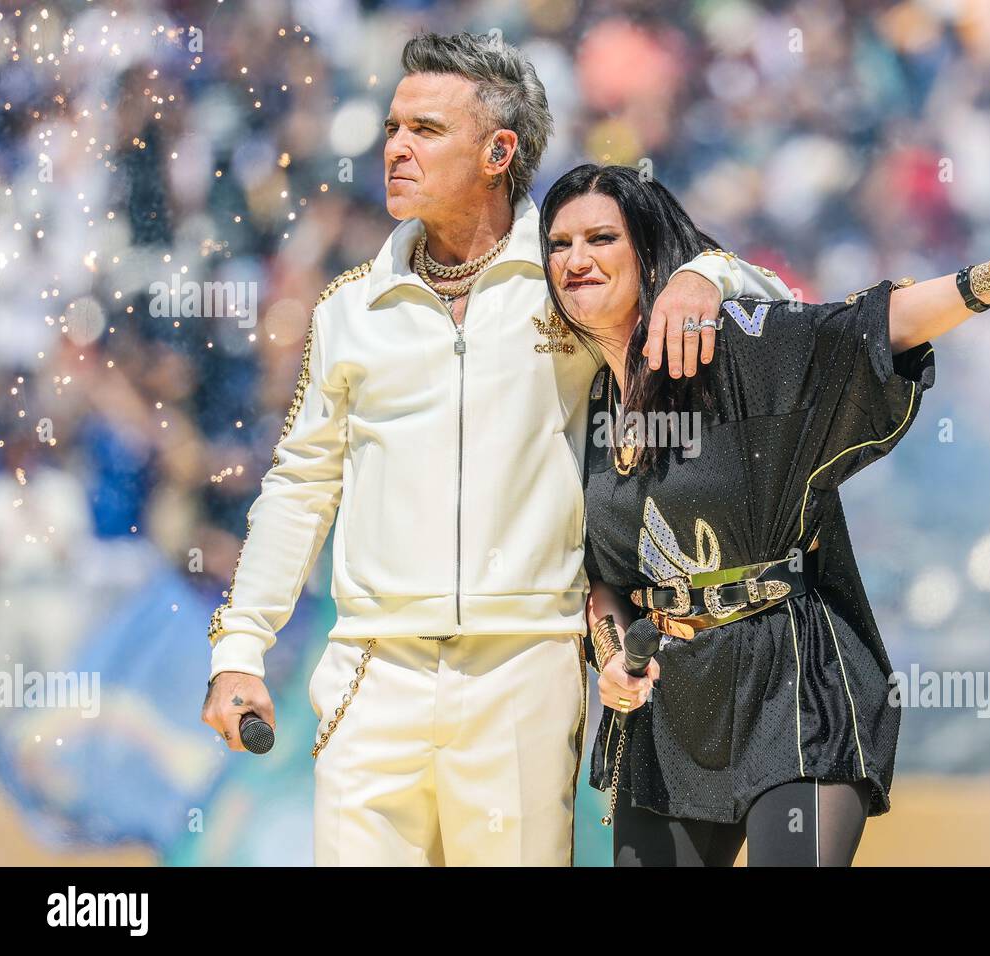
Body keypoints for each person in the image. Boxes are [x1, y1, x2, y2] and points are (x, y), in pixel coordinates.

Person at [199, 33, 784, 867]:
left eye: (426, 130)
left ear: (497, 151)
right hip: (371, 675)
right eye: (395, 126)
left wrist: (703, 277)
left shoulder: (572, 275)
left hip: (527, 671)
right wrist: (239, 650)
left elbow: (777, 303)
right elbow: (299, 488)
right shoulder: (347, 308)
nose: (395, 146)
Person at [540, 164, 990, 866]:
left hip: (794, 688)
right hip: (671, 713)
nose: (576, 259)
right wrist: (611, 659)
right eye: (559, 244)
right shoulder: (578, 409)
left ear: (645, 250)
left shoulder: (728, 349)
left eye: (601, 238)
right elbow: (604, 581)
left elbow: (870, 327)